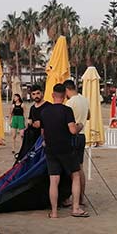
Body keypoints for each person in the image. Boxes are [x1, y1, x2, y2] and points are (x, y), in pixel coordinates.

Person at [40, 84, 86, 218]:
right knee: (75, 176)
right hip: (66, 148)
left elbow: (43, 133)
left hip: (50, 149)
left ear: (53, 95)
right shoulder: (66, 111)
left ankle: (54, 212)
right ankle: (76, 208)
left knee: (54, 180)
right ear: (64, 96)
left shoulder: (45, 112)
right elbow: (72, 130)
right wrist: (80, 126)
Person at [64, 80, 90, 201]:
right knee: (80, 167)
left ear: (66, 90)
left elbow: (64, 120)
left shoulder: (70, 103)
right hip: (82, 136)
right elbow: (89, 116)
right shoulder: (84, 99)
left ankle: (71, 197)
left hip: (72, 136)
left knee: (71, 169)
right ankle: (81, 197)